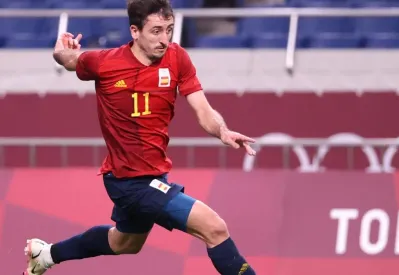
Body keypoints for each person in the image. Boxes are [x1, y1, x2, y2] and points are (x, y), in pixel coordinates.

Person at [22, 0, 257, 274]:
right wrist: (61, 51)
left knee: (125, 242)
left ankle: (46, 254)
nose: (164, 39)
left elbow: (203, 109)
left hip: (154, 176)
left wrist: (222, 130)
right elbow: (70, 60)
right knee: (214, 227)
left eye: (169, 29)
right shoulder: (105, 63)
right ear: (135, 31)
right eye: (156, 31)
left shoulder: (177, 58)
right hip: (128, 181)